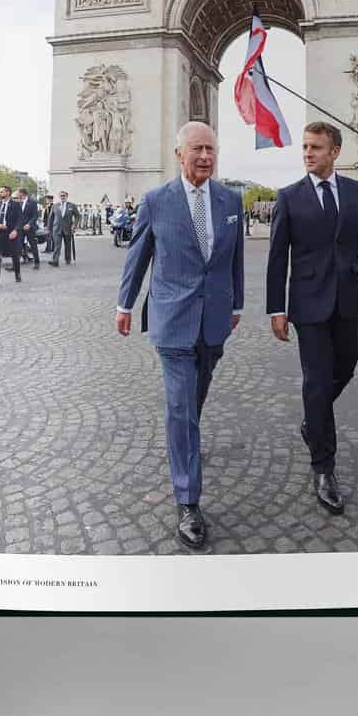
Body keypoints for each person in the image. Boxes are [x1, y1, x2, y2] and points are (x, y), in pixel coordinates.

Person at [116, 122, 245, 550]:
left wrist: (238, 304)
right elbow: (137, 257)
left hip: (214, 319)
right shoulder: (155, 202)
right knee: (179, 404)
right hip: (172, 318)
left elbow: (235, 258)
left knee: (193, 397)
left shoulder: (231, 200)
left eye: (211, 149)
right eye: (197, 149)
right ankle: (188, 500)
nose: (205, 156)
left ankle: (186, 439)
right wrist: (125, 304)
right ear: (179, 153)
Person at [265, 121, 358, 514]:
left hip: (348, 299)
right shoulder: (288, 197)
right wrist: (276, 309)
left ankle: (313, 420)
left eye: (316, 147)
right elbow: (276, 258)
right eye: (304, 147)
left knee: (347, 366)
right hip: (308, 304)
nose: (307, 153)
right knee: (316, 380)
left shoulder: (356, 191)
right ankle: (324, 467)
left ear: (335, 151)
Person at [0, 186, 22, 286]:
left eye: (1, 192)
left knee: (15, 255)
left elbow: (20, 220)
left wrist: (16, 230)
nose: (0, 194)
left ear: (8, 193)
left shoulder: (16, 205)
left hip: (11, 233)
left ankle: (17, 273)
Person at [49, 190, 77, 266]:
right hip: (57, 229)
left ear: (66, 196)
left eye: (64, 195)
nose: (62, 197)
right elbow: (50, 218)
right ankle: (55, 261)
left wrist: (74, 225)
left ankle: (68, 259)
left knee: (68, 245)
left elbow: (78, 216)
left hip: (68, 229)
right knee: (57, 246)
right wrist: (49, 229)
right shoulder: (55, 206)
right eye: (61, 196)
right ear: (59, 197)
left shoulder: (72, 206)